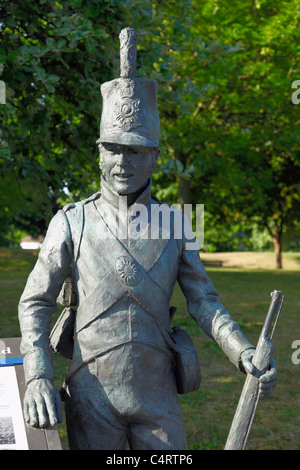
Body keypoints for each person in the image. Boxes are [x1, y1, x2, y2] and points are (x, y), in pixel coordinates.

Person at [18, 28, 276, 450]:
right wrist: (39, 376)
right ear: (99, 152)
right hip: (90, 393)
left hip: (158, 395)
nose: (122, 161)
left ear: (155, 156)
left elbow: (204, 301)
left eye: (135, 151)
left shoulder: (176, 224)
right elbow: (34, 302)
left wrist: (242, 350)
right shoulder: (70, 221)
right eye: (113, 148)